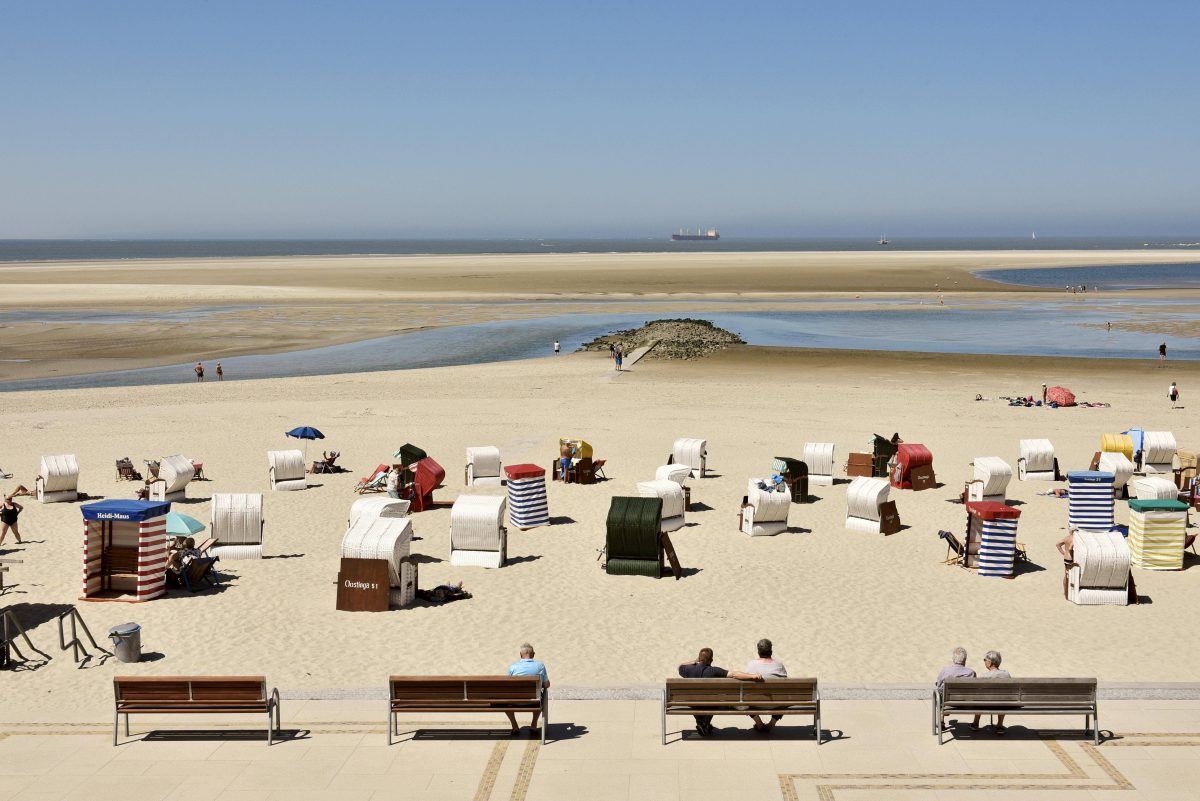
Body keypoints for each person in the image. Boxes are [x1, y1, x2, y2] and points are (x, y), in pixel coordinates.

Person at [677, 648, 763, 737]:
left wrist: (694, 661)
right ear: (711, 660)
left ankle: (702, 724)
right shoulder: (715, 671)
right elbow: (734, 674)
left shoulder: (687, 669)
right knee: (714, 701)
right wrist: (752, 676)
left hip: (692, 702)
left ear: (699, 658)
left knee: (698, 701)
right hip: (710, 703)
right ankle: (705, 723)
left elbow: (679, 666)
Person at [743, 639, 788, 733]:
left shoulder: (751, 665)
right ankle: (772, 723)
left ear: (758, 651)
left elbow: (745, 686)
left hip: (755, 703)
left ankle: (759, 723)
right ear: (771, 651)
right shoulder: (779, 665)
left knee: (744, 699)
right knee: (785, 696)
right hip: (776, 704)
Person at [505, 643, 549, 735]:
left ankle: (514, 726)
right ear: (533, 654)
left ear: (520, 655)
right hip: (534, 701)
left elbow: (507, 685)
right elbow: (546, 685)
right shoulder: (540, 666)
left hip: (514, 701)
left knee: (505, 700)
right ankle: (533, 724)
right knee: (539, 696)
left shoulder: (513, 667)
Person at [971, 651, 1011, 733]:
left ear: (989, 663)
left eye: (985, 660)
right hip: (1003, 705)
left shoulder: (984, 676)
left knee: (978, 698)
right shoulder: (1006, 675)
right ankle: (999, 725)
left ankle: (975, 723)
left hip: (986, 704)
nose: (984, 661)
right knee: (1002, 698)